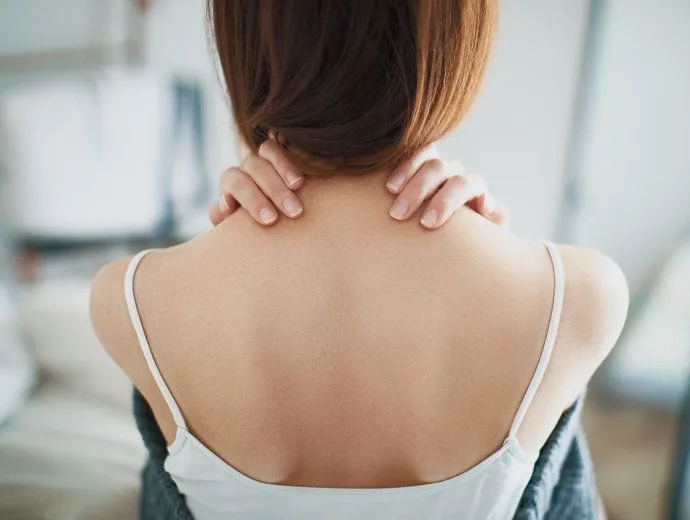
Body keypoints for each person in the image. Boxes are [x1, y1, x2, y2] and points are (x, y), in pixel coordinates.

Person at [90, 1, 628, 518]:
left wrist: (233, 215)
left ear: (243, 37)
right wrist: (502, 258)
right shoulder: (584, 293)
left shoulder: (128, 299)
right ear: (457, 37)